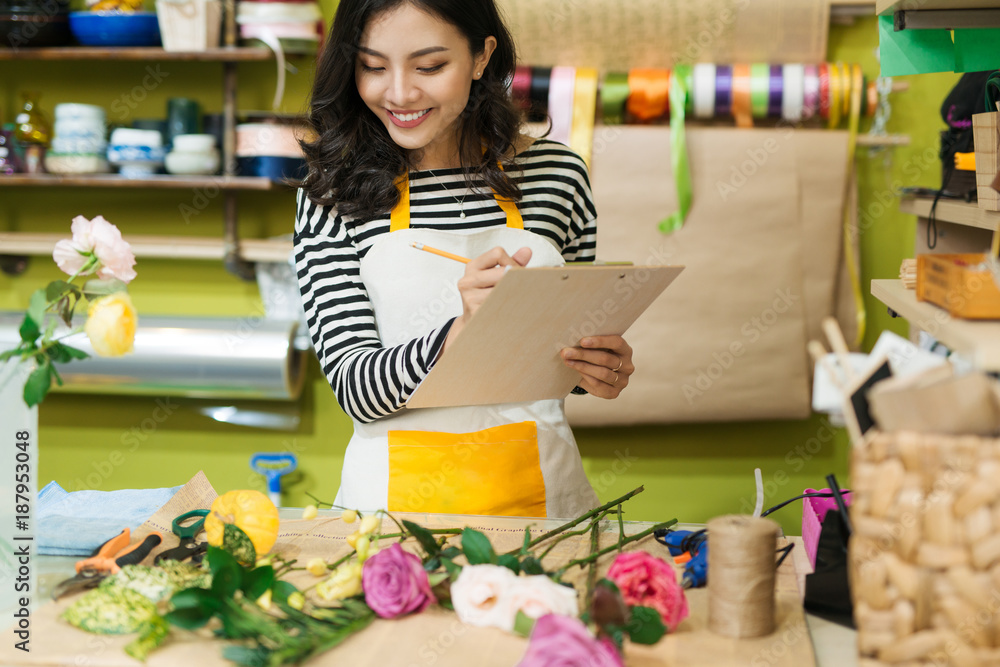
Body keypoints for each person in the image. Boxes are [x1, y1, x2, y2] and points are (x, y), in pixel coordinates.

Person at [294, 0, 634, 518]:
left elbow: (562, 364)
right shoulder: (331, 192)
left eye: (430, 66)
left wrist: (596, 369)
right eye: (373, 66)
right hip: (390, 521)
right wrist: (460, 331)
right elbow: (355, 390)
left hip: (543, 508)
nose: (401, 93)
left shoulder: (558, 176)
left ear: (481, 57)